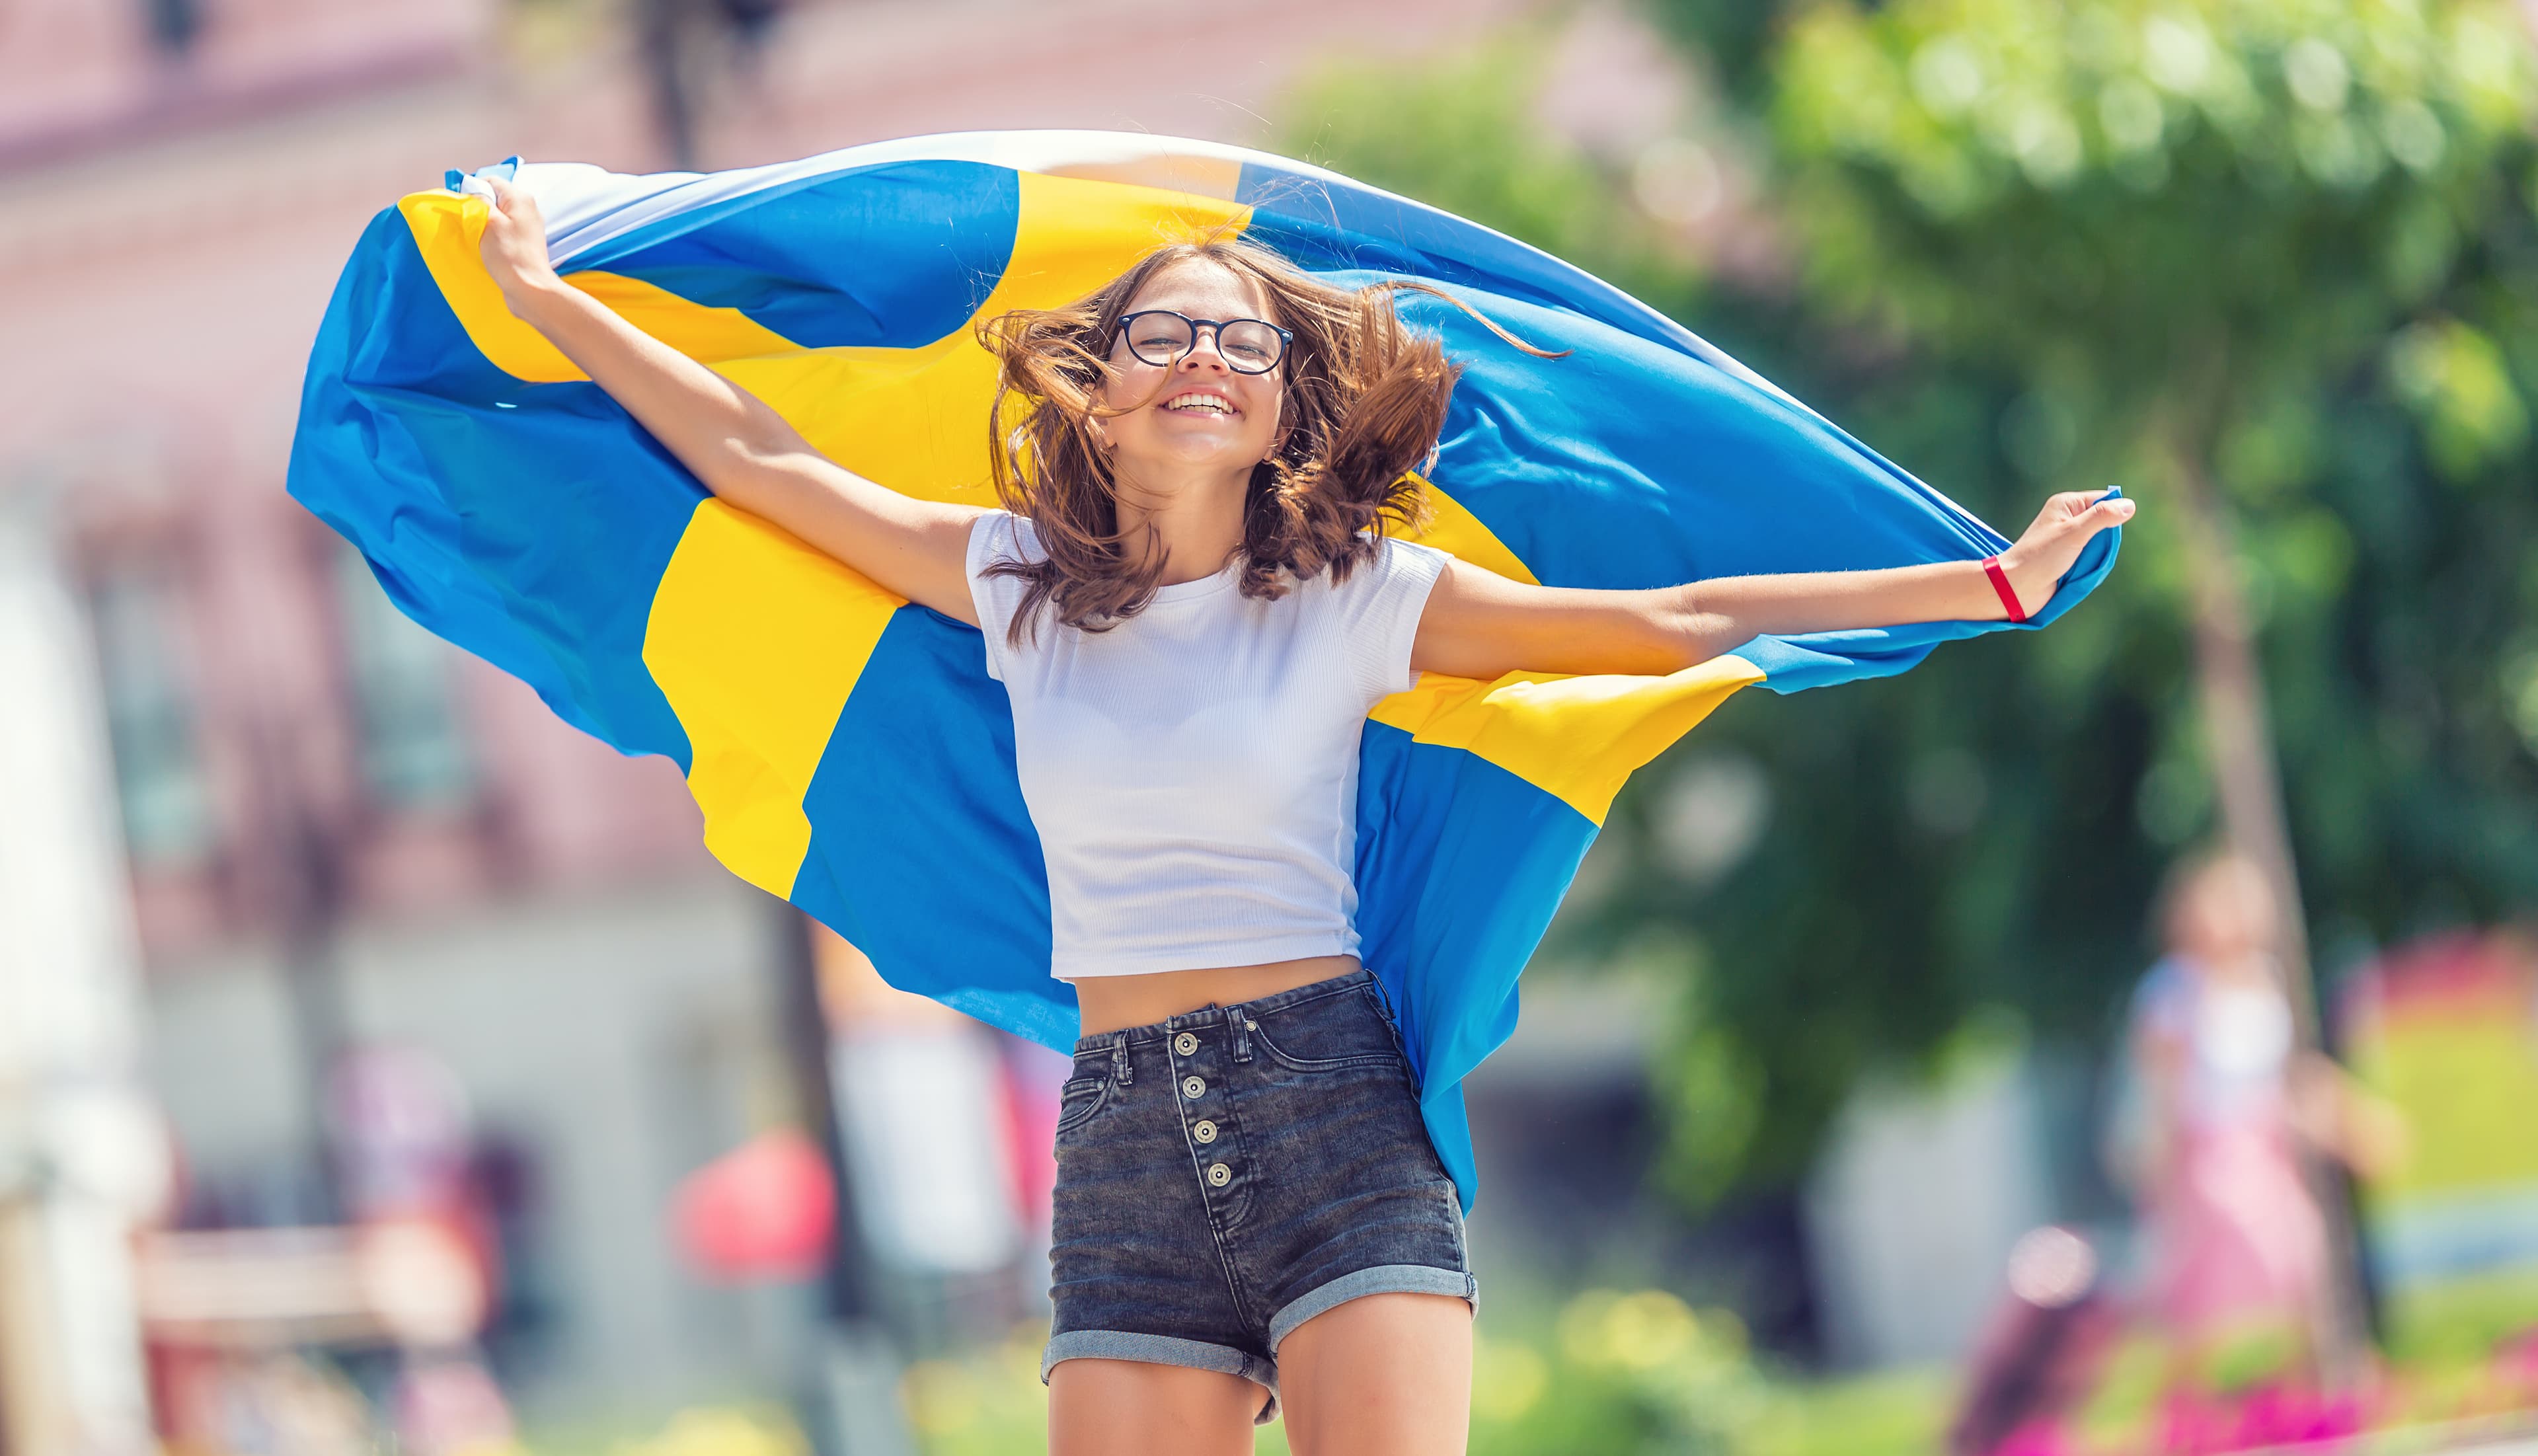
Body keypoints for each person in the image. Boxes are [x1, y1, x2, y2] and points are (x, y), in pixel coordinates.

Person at [474, 175, 2135, 1456]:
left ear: (1277, 408)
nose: (1205, 354)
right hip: (1122, 1136)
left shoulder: (1353, 596)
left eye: (1242, 340)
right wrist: (549, 303)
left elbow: (1678, 614)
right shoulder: (1012, 583)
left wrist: (1978, 582)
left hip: (1330, 1120)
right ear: (1101, 391)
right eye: (1165, 332)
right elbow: (758, 453)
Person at [2117, 851, 2402, 1402]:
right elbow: (2163, 1093)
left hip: (2267, 1153)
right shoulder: (2174, 992)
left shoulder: (2267, 983)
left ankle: (2331, 1386)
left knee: (2305, 1262)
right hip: (2211, 1158)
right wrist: (2161, 1174)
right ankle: (2187, 1408)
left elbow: (2288, 1075)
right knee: (2209, 1295)